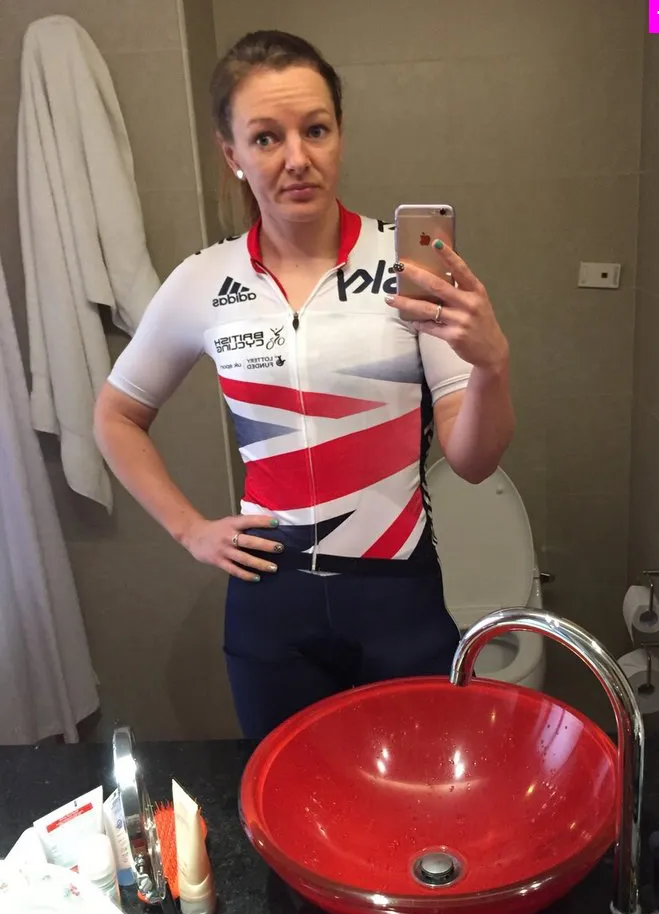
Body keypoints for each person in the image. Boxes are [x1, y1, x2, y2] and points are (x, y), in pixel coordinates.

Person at [93, 29, 515, 738]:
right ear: (232, 154)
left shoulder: (408, 268)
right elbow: (114, 416)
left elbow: (473, 463)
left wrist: (492, 366)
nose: (296, 158)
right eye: (266, 138)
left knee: (419, 797)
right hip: (271, 601)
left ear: (339, 134)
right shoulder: (204, 280)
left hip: (397, 595)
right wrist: (190, 530)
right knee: (286, 795)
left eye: (315, 130)